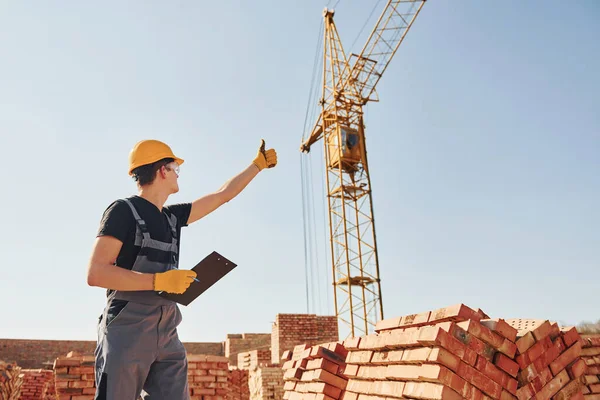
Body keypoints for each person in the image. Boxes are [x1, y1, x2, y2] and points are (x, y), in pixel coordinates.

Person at [86, 139, 277, 400]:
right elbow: (97, 273)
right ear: (162, 170)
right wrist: (158, 281)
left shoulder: (171, 217)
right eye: (176, 167)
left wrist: (256, 166)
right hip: (127, 328)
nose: (178, 174)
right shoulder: (122, 211)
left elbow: (222, 195)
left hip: (166, 329)